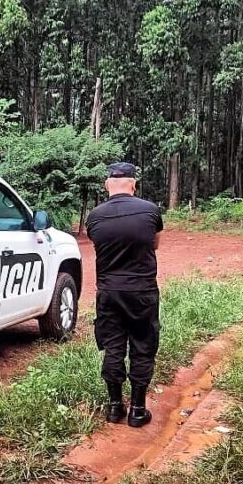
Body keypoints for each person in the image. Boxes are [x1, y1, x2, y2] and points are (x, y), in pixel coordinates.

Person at [86, 162, 163, 428]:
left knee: (113, 346)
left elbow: (100, 244)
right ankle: (138, 410)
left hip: (109, 293)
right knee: (143, 346)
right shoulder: (151, 211)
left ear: (107, 185)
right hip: (142, 292)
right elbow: (155, 244)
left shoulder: (94, 217)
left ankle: (115, 407)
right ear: (133, 184)